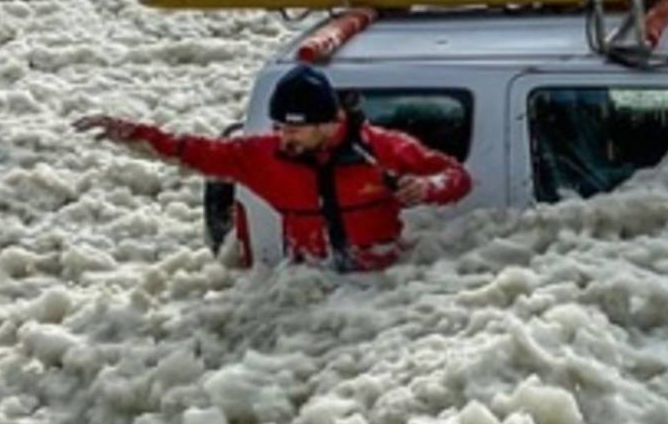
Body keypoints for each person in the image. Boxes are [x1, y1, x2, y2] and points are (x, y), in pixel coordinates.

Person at [73, 64, 471, 271]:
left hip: (386, 286)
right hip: (305, 286)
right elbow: (190, 151)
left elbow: (458, 177)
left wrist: (428, 189)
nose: (284, 138)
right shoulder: (263, 156)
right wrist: (133, 134)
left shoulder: (385, 148)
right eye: (279, 127)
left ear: (329, 123)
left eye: (294, 130)